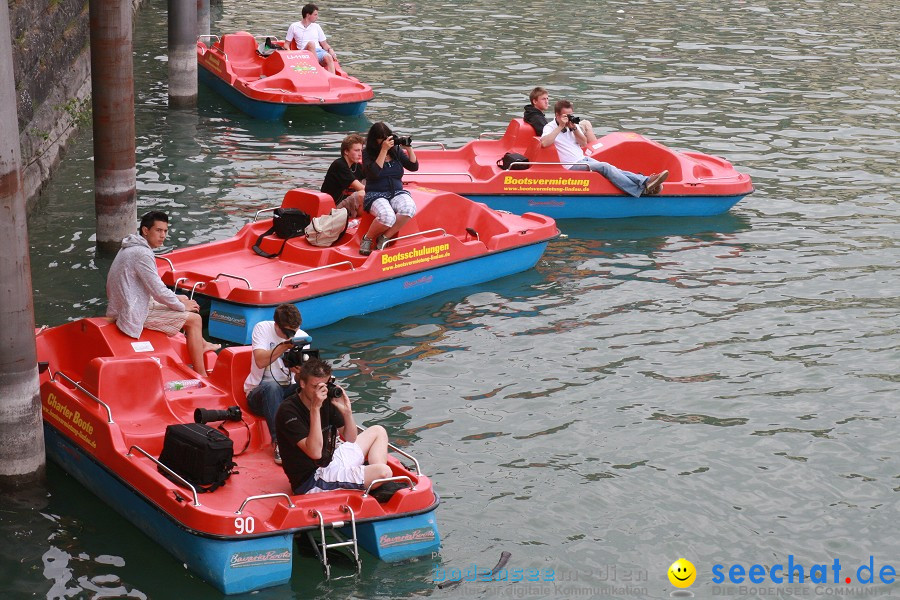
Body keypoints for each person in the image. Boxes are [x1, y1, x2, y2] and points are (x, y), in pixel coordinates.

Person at [106, 211, 220, 376]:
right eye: (158, 230)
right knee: (195, 319)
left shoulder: (130, 247)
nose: (163, 235)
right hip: (132, 312)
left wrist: (178, 299)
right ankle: (201, 374)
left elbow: (151, 288)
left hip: (129, 303)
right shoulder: (143, 254)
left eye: (165, 231)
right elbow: (158, 290)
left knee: (183, 299)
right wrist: (181, 306)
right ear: (146, 231)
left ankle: (200, 343)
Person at [275, 358, 392, 495]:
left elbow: (350, 438)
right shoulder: (288, 411)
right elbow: (315, 452)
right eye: (315, 386)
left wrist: (347, 413)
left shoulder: (326, 400)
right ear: (302, 383)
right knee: (384, 472)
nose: (320, 391)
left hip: (330, 462)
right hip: (311, 479)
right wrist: (315, 409)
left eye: (324, 385)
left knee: (378, 431)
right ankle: (370, 478)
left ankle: (369, 476)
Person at [541, 100, 668, 196]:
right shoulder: (550, 127)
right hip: (569, 165)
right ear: (557, 115)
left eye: (570, 115)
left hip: (582, 159)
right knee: (604, 167)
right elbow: (544, 143)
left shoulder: (573, 125)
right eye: (565, 116)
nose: (569, 118)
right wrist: (560, 127)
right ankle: (640, 190)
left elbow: (584, 143)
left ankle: (645, 180)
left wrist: (573, 128)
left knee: (612, 167)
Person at [244, 303, 308, 464]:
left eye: (294, 331)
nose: (290, 335)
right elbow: (260, 361)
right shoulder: (262, 329)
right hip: (259, 392)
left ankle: (322, 436)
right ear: (276, 325)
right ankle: (280, 442)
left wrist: (301, 373)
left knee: (316, 387)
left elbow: (304, 381)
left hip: (288, 390)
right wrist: (284, 346)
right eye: (287, 331)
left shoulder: (302, 337)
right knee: (272, 387)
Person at [359, 122, 418, 256]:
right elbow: (374, 173)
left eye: (387, 137)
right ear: (374, 139)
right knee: (387, 216)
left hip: (396, 192)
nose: (385, 140)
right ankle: (367, 238)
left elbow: (413, 167)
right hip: (376, 194)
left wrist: (408, 148)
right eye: (381, 137)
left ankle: (385, 237)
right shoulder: (367, 153)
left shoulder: (396, 151)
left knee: (409, 208)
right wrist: (383, 150)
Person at [321, 133, 365, 219]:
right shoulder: (339, 165)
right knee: (362, 194)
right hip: (333, 207)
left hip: (345, 202)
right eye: (356, 150)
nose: (360, 154)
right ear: (346, 151)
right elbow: (361, 188)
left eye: (361, 150)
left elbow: (374, 176)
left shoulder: (355, 166)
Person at [285, 3, 338, 74]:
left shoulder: (317, 26)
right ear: (308, 15)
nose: (317, 17)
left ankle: (332, 78)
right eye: (315, 15)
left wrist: (331, 50)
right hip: (304, 53)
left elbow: (324, 44)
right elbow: (286, 44)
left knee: (328, 57)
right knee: (311, 44)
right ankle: (317, 71)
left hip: (319, 52)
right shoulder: (294, 26)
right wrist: (289, 53)